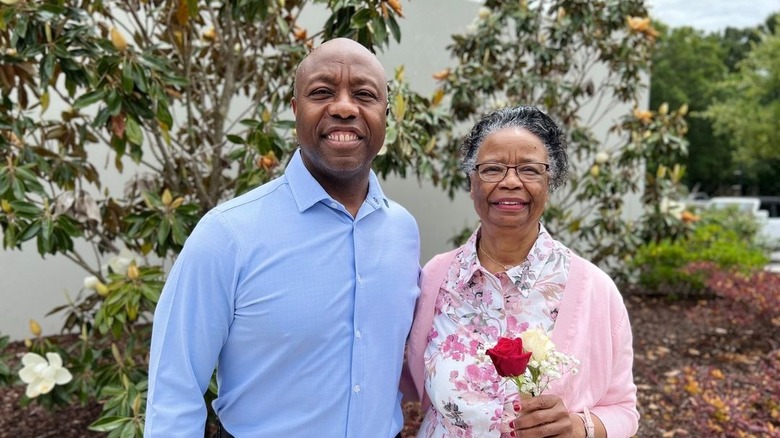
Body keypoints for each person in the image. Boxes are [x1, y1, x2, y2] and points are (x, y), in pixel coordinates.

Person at [144, 38, 421, 437]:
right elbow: (174, 389)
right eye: (322, 92)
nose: (344, 107)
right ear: (295, 111)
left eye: (364, 94)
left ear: (385, 114)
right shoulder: (227, 235)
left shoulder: (403, 231)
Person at [403, 106, 639, 437]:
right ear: (472, 183)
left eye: (529, 170)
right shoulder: (435, 279)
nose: (511, 181)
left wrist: (577, 427)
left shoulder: (593, 290)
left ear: (549, 183)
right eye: (493, 169)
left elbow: (624, 410)